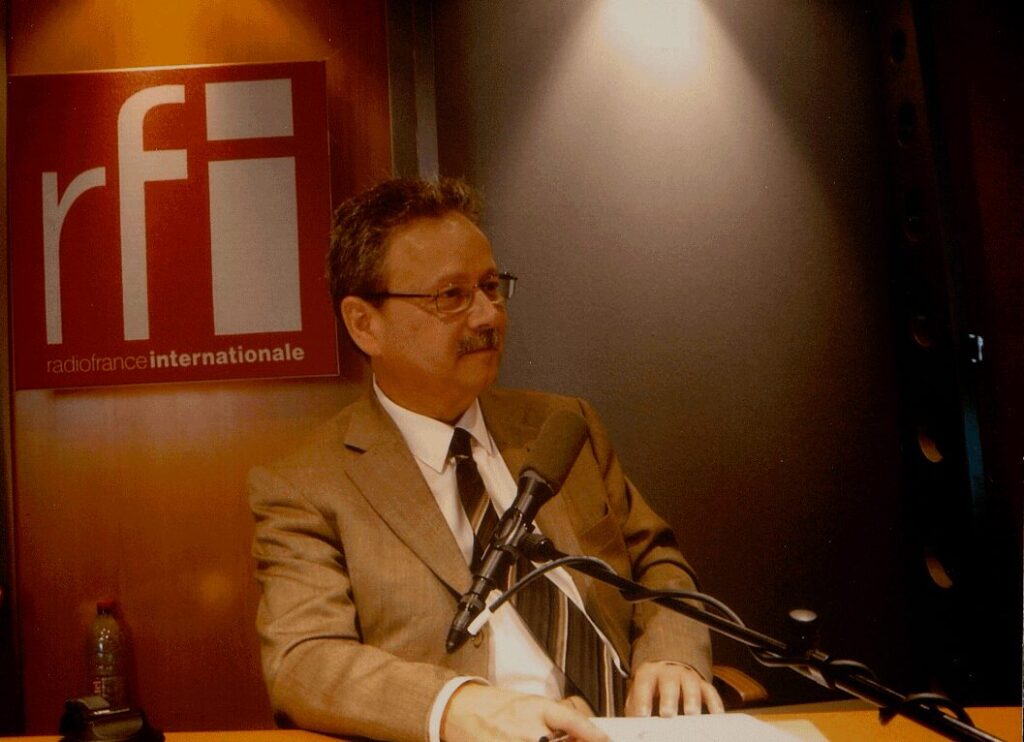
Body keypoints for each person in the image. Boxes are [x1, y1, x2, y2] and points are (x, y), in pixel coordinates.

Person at [249, 177, 723, 742]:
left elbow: (657, 562)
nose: (486, 316)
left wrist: (672, 654)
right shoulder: (306, 485)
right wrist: (457, 706)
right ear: (364, 323)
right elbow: (304, 661)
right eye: (450, 296)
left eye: (491, 287)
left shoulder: (562, 426)